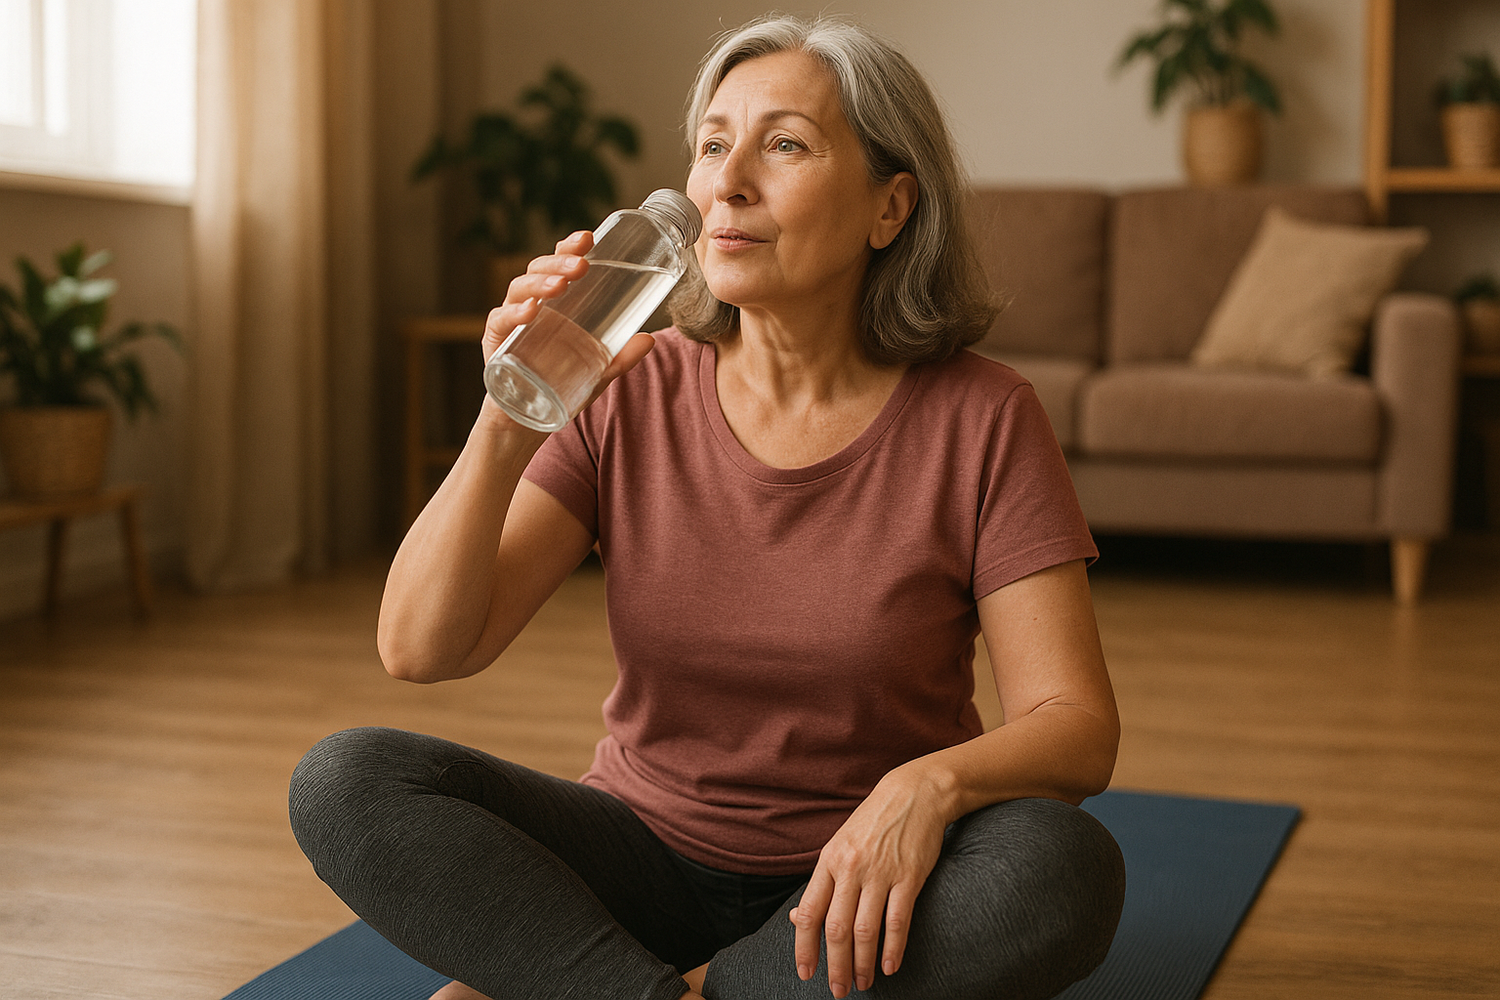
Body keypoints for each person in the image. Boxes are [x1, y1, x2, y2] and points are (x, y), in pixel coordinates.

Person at [290, 14, 1126, 1000]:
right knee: (345, 780)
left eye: (786, 145)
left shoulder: (984, 417)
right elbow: (422, 648)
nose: (728, 182)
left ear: (890, 207)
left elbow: (1076, 726)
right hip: (643, 860)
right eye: (713, 145)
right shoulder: (630, 384)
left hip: (861, 889)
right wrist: (506, 420)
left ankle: (597, 987)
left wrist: (927, 786)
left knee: (1062, 867)